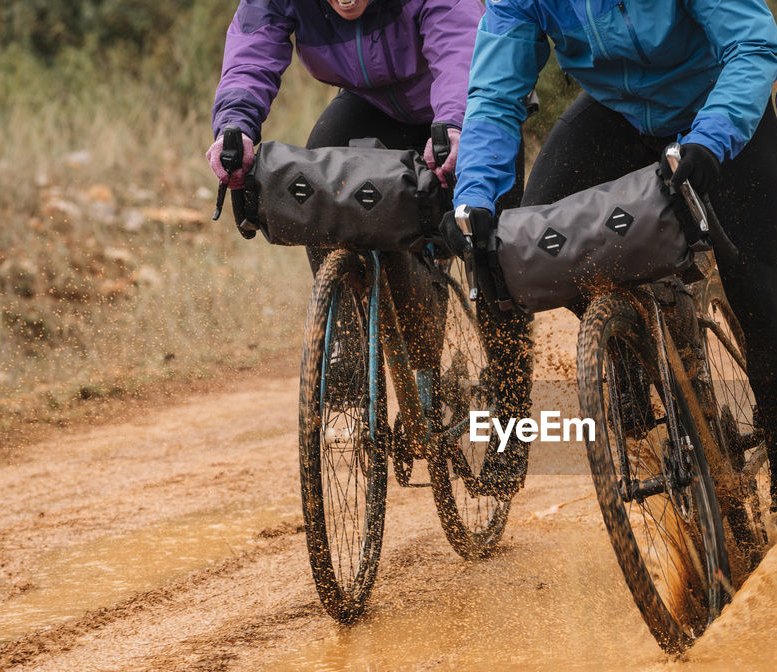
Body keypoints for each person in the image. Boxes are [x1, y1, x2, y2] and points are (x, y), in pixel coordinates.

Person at [448, 0, 777, 522]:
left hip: (716, 102)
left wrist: (710, 139)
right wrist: (475, 197)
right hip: (617, 113)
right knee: (535, 243)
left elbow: (753, 45)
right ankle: (629, 345)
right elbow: (494, 95)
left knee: (755, 286)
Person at [206, 0, 532, 499]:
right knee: (316, 185)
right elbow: (254, 44)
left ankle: (513, 418)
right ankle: (352, 339)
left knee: (494, 261)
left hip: (471, 103)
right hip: (376, 106)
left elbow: (458, 42)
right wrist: (237, 126)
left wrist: (455, 122)